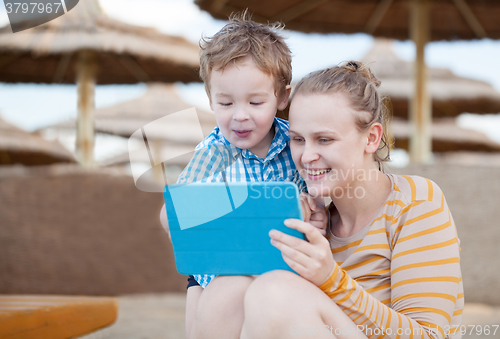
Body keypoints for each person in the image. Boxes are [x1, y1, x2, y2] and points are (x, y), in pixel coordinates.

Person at [236, 61, 464, 339]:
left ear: (371, 138)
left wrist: (331, 279)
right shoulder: (316, 223)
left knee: (274, 292)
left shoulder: (416, 202)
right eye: (297, 139)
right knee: (230, 290)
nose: (306, 156)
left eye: (324, 140)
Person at [158, 13, 328, 338]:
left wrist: (315, 214)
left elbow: (317, 200)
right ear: (210, 99)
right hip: (215, 275)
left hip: (280, 268)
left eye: (255, 101)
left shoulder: (295, 143)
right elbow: (173, 216)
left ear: (282, 97)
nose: (240, 115)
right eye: (225, 102)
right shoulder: (213, 153)